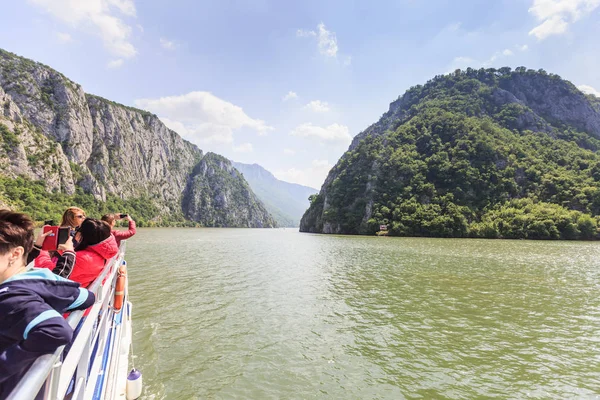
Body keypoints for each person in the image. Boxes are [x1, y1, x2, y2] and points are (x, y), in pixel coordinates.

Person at [0, 210, 95, 399]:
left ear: (15, 253)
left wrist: (5, 364)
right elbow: (87, 297)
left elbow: (56, 330)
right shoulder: (41, 281)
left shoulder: (11, 297)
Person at [35, 218, 118, 288]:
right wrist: (66, 250)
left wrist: (42, 247)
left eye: (78, 229)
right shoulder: (104, 252)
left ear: (79, 236)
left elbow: (46, 271)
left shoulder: (82, 258)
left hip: (67, 296)